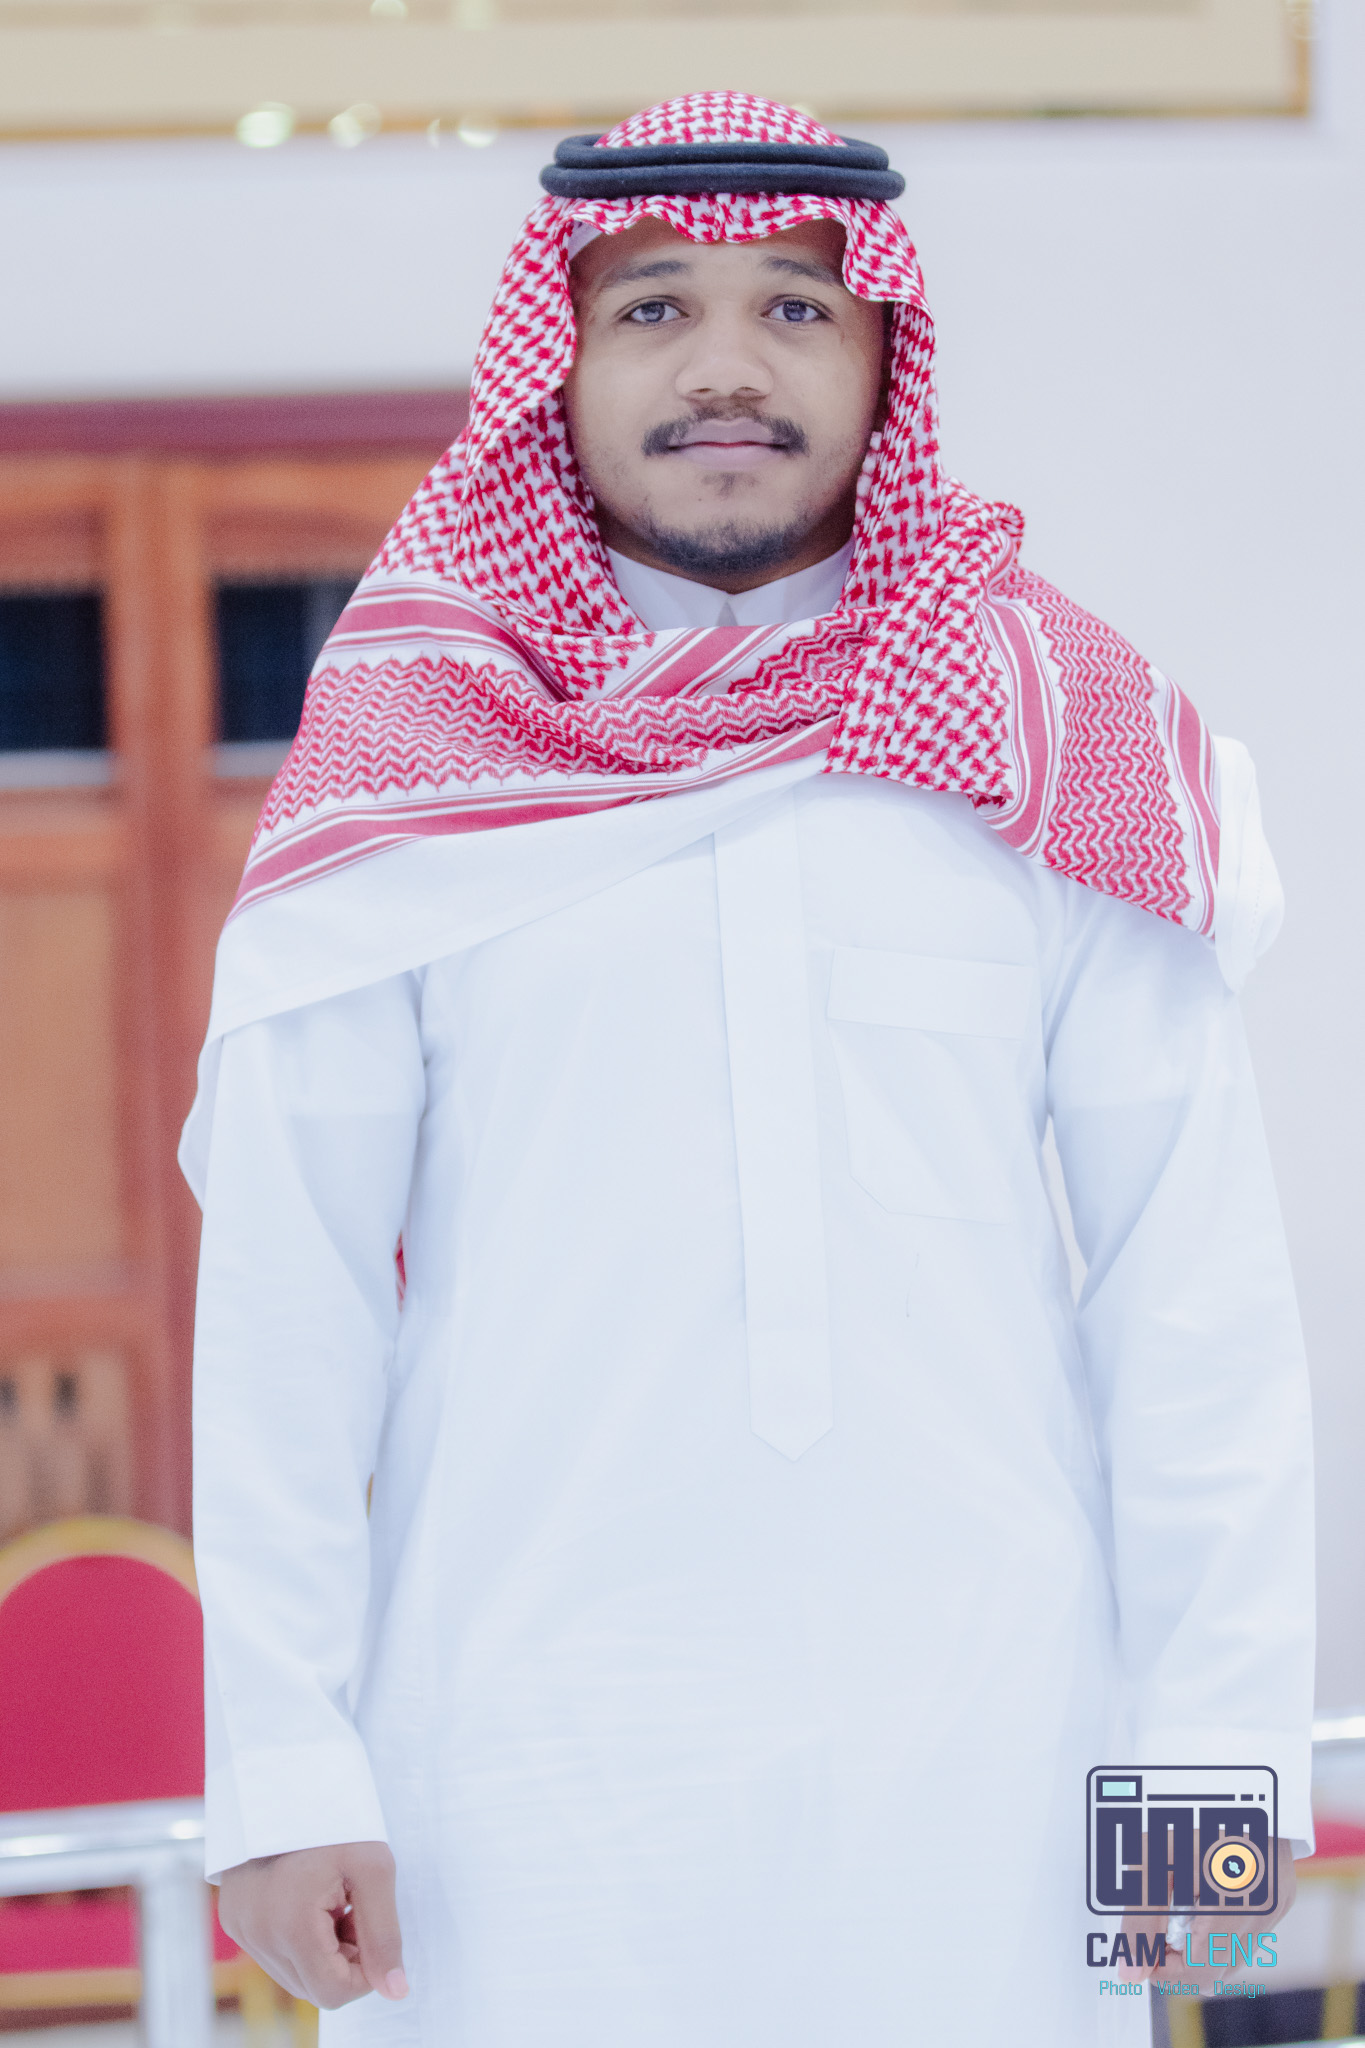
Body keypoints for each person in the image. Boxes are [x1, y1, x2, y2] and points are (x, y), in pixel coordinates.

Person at [184, 94, 1314, 2047]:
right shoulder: (407, 763)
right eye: (652, 310)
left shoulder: (1059, 742)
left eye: (794, 307)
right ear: (555, 361)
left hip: (982, 1794)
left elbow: (1193, 1316)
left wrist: (1203, 1811)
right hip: (515, 1803)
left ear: (884, 356)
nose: (724, 367)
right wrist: (282, 1772)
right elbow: (291, 1306)